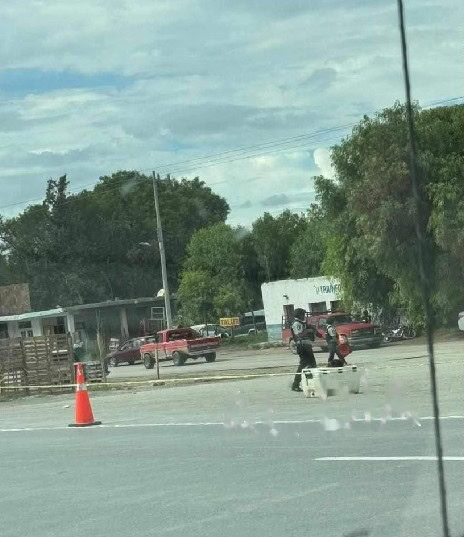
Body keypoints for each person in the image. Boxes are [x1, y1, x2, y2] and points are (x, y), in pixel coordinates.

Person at [291, 308, 317, 392]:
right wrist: (309, 330)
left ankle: (312, 383)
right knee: (303, 365)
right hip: (302, 346)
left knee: (312, 364)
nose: (304, 316)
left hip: (306, 345)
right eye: (303, 314)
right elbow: (300, 333)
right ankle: (295, 384)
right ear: (299, 315)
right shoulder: (297, 323)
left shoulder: (302, 323)